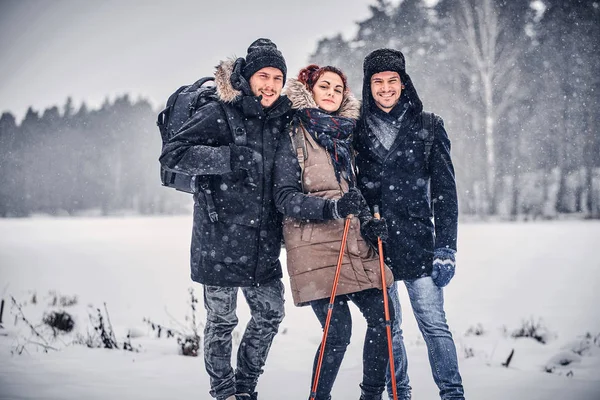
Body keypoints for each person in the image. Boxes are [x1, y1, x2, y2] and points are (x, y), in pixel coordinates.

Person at [159, 38, 292, 400]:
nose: (270, 84)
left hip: (262, 243)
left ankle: (245, 387)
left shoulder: (282, 118)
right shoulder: (221, 112)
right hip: (218, 239)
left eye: (277, 77)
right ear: (247, 77)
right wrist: (228, 157)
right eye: (263, 75)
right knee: (221, 321)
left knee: (271, 312)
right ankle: (224, 391)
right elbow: (173, 155)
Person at [273, 64, 394, 400]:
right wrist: (331, 209)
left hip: (352, 243)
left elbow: (356, 193)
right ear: (310, 90)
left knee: (385, 316)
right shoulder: (294, 134)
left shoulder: (348, 136)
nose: (331, 93)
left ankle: (371, 395)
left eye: (338, 88)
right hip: (314, 248)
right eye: (324, 86)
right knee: (338, 331)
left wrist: (369, 223)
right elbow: (284, 198)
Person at [353, 49, 465, 400]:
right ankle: (399, 393)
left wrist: (446, 248)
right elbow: (352, 187)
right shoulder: (355, 130)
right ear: (368, 86)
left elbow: (445, 193)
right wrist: (364, 221)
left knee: (434, 325)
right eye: (377, 82)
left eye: (392, 81)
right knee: (389, 329)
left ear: (403, 83)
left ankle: (453, 394)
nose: (385, 88)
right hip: (377, 244)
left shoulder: (428, 126)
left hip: (419, 242)